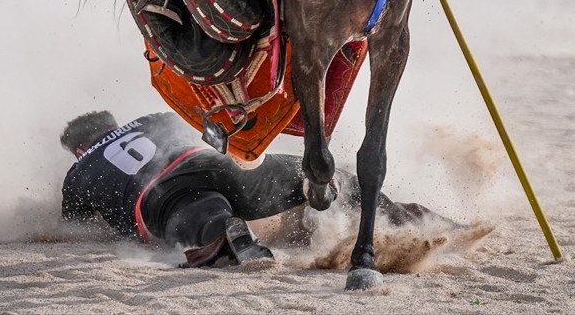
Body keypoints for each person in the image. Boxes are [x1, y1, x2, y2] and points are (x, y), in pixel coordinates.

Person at [60, 110, 458, 268]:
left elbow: (74, 228)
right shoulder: (150, 118)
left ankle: (235, 240)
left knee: (207, 218)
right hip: (218, 164)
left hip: (166, 196)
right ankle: (412, 217)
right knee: (320, 178)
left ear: (79, 149)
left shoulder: (79, 172)